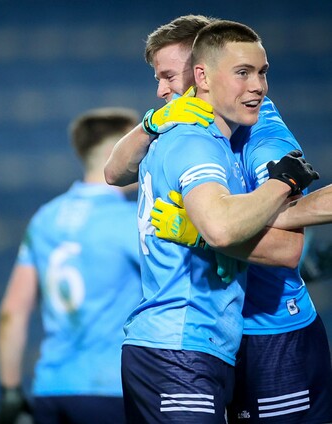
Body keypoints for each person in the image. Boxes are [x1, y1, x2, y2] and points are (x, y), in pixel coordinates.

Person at [105, 14, 332, 423]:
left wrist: (202, 231)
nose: (162, 90)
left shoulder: (262, 132)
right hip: (210, 332)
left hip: (270, 327)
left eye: (169, 76)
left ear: (203, 72)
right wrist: (149, 124)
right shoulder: (182, 129)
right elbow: (113, 172)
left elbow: (287, 247)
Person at [0, 107, 143, 424]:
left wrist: (10, 390)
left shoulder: (46, 218)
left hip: (52, 388)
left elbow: (12, 312)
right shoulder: (131, 222)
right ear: (114, 151)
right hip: (111, 389)